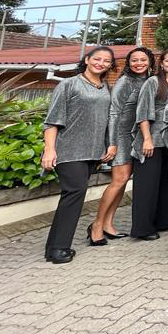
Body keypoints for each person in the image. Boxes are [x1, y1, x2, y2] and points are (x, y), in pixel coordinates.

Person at [41, 46, 116, 263]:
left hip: (92, 153)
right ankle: (59, 250)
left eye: (106, 61)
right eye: (97, 59)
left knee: (73, 197)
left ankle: (54, 247)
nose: (101, 63)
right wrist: (49, 149)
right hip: (69, 150)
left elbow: (107, 119)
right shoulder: (69, 84)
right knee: (75, 192)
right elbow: (52, 121)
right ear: (87, 59)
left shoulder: (105, 88)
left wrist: (109, 144)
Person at [88, 46, 152, 244]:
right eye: (134, 60)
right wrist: (112, 143)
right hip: (122, 135)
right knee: (119, 180)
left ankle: (108, 223)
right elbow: (114, 112)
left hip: (137, 135)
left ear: (150, 62)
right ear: (128, 63)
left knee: (124, 181)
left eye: (143, 60)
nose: (139, 63)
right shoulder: (125, 81)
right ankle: (96, 225)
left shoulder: (149, 81)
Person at [130, 49, 168, 240]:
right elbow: (143, 111)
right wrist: (146, 138)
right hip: (153, 139)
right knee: (148, 186)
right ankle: (142, 228)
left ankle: (164, 221)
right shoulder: (153, 82)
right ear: (161, 64)